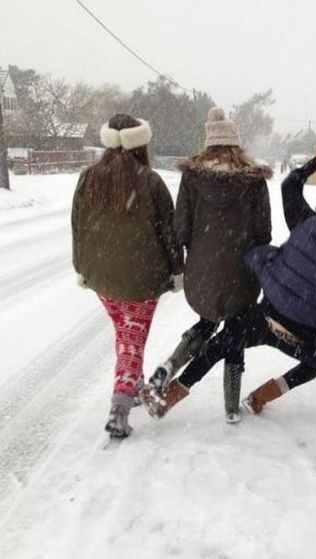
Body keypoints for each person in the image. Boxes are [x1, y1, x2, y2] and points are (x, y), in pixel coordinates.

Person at [143, 146, 316, 419]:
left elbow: (289, 185)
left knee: (220, 344)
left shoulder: (306, 221)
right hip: (301, 337)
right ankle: (263, 395)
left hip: (266, 318)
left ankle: (169, 397)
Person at [147, 107, 272, 423]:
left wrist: (199, 253)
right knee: (235, 331)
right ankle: (231, 406)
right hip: (242, 274)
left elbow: (181, 229)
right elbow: (264, 233)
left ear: (208, 143)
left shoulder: (192, 178)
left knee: (206, 323)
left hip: (202, 272)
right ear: (235, 143)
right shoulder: (254, 180)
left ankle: (171, 364)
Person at [71, 114, 183, 439]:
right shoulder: (151, 182)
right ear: (140, 144)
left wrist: (81, 267)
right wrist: (177, 270)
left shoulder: (88, 178)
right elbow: (170, 234)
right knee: (132, 339)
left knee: (126, 334)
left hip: (101, 277)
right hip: (142, 280)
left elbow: (78, 227)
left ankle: (133, 385)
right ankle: (119, 410)